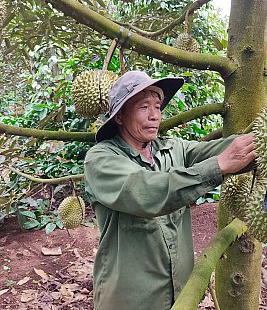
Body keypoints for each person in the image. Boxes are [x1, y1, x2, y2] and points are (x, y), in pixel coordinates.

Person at [84, 71, 255, 310]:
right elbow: (146, 191)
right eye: (144, 107)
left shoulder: (174, 149)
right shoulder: (101, 159)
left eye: (157, 105)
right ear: (120, 117)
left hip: (181, 293)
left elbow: (226, 150)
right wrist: (217, 167)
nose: (155, 115)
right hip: (131, 300)